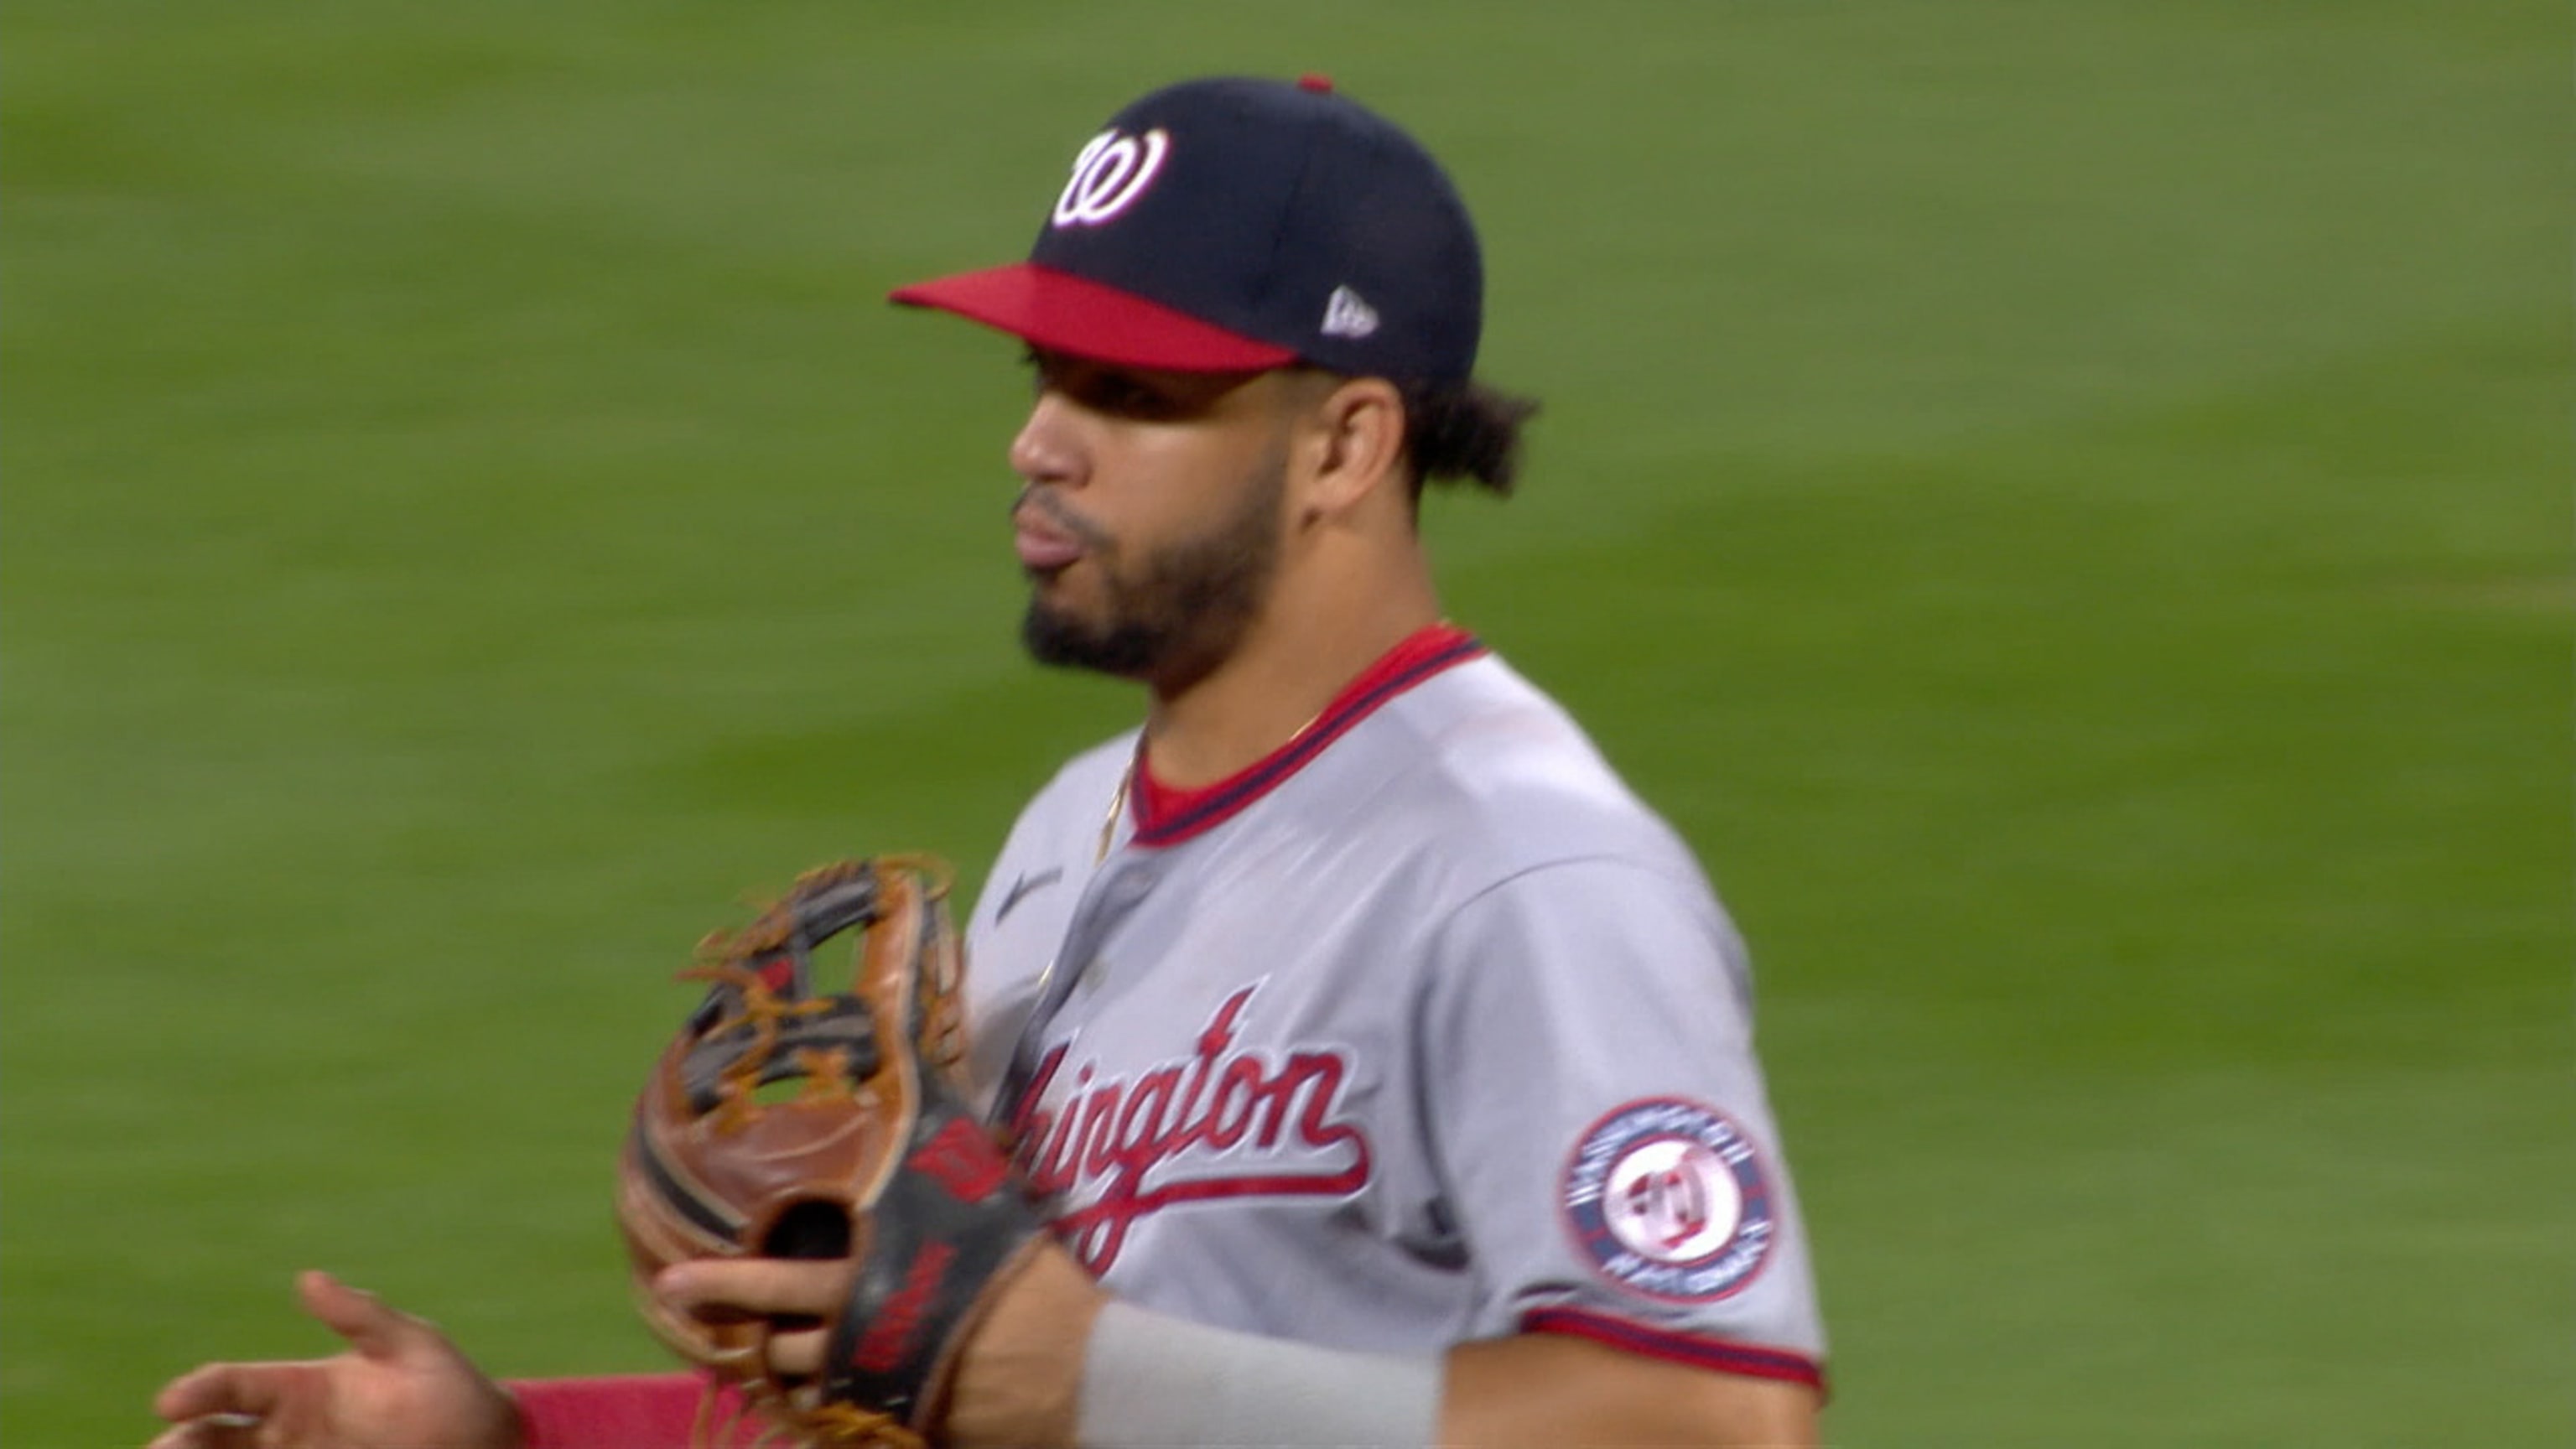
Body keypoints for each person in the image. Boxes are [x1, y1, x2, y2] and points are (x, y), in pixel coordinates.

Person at [150, 75, 1827, 1449]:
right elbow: (949, 1386)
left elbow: (1706, 1414)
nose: (1038, 440)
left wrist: (1095, 1380)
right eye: (1045, 373)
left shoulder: (1521, 874)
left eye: (1131, 393)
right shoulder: (1069, 831)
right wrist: (515, 1441)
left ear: (1346, 441)